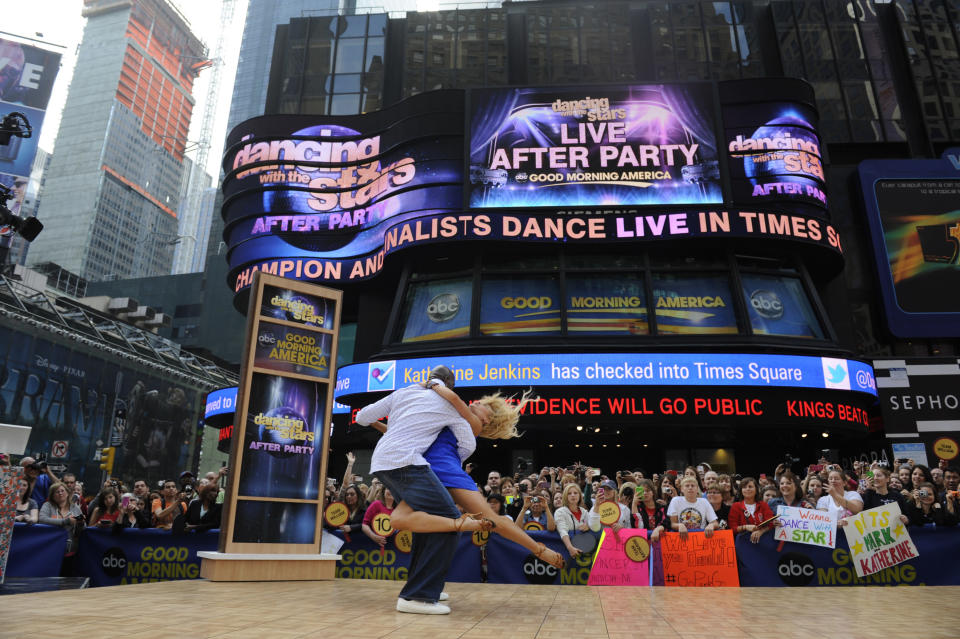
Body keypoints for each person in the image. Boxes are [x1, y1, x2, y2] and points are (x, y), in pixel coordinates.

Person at [355, 367, 501, 615]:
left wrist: (396, 428)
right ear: (448, 386)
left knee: (429, 527)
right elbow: (466, 438)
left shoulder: (404, 392)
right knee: (449, 523)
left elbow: (362, 417)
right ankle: (418, 596)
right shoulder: (450, 405)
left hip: (381, 463)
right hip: (407, 464)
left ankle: (423, 585)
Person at [38, 482, 84, 574]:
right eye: (57, 492)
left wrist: (81, 523)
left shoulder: (75, 508)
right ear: (52, 495)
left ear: (67, 493)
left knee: (66, 579)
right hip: (50, 549)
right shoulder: (48, 505)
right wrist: (65, 521)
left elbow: (82, 530)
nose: (60, 493)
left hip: (70, 550)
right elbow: (42, 519)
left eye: (62, 491)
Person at [555, 483, 596, 559]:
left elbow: (594, 526)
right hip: (566, 552)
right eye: (569, 493)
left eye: (575, 493)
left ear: (580, 496)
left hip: (585, 553)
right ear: (565, 497)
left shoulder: (585, 512)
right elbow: (562, 531)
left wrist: (588, 527)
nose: (573, 495)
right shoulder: (560, 512)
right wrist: (570, 548)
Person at [729, 477, 774, 544]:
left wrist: (760, 531)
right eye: (744, 487)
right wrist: (745, 527)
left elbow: (771, 523)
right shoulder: (736, 506)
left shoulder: (763, 505)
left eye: (750, 487)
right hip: (744, 543)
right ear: (741, 491)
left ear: (756, 490)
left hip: (764, 542)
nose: (747, 489)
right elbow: (732, 528)